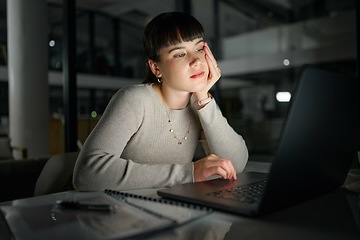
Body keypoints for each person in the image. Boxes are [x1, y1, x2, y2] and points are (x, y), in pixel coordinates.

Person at [73, 12, 248, 191]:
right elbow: (87, 175)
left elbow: (236, 164)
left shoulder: (199, 105)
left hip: (169, 209)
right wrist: (190, 173)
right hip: (116, 211)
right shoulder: (134, 100)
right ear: (156, 67)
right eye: (180, 54)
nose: (196, 60)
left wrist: (204, 98)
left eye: (199, 48)